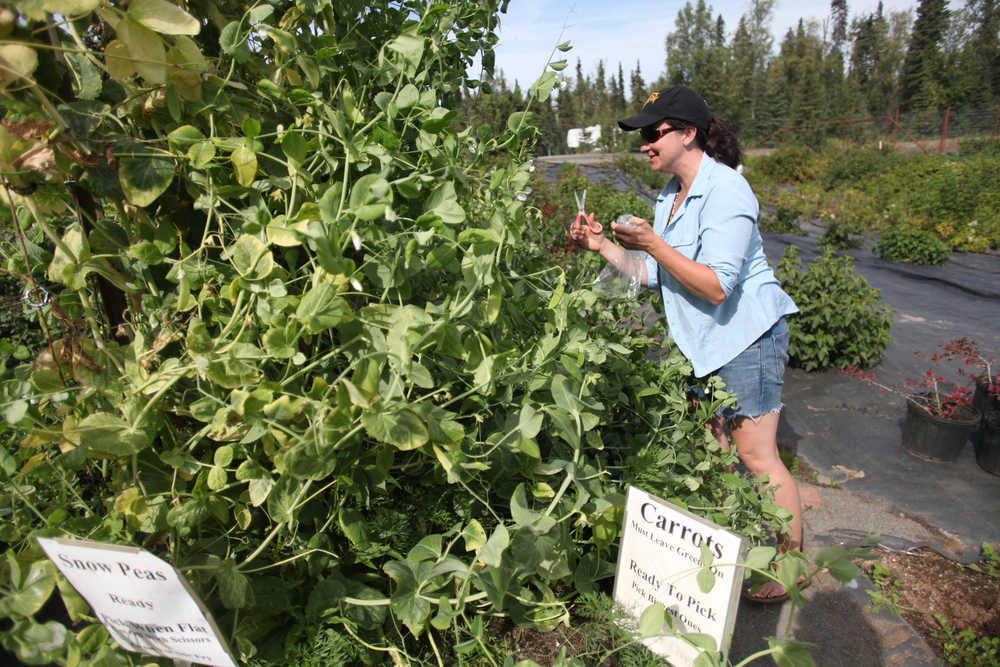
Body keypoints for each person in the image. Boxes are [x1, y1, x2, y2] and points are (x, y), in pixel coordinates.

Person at [569, 85, 802, 603]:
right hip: (703, 345)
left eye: (654, 133)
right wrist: (602, 245)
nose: (645, 144)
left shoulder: (727, 192)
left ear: (688, 133)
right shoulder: (667, 196)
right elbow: (652, 274)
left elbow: (717, 284)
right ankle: (720, 564)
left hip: (744, 339)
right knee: (714, 452)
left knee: (757, 457)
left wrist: (652, 242)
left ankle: (791, 567)